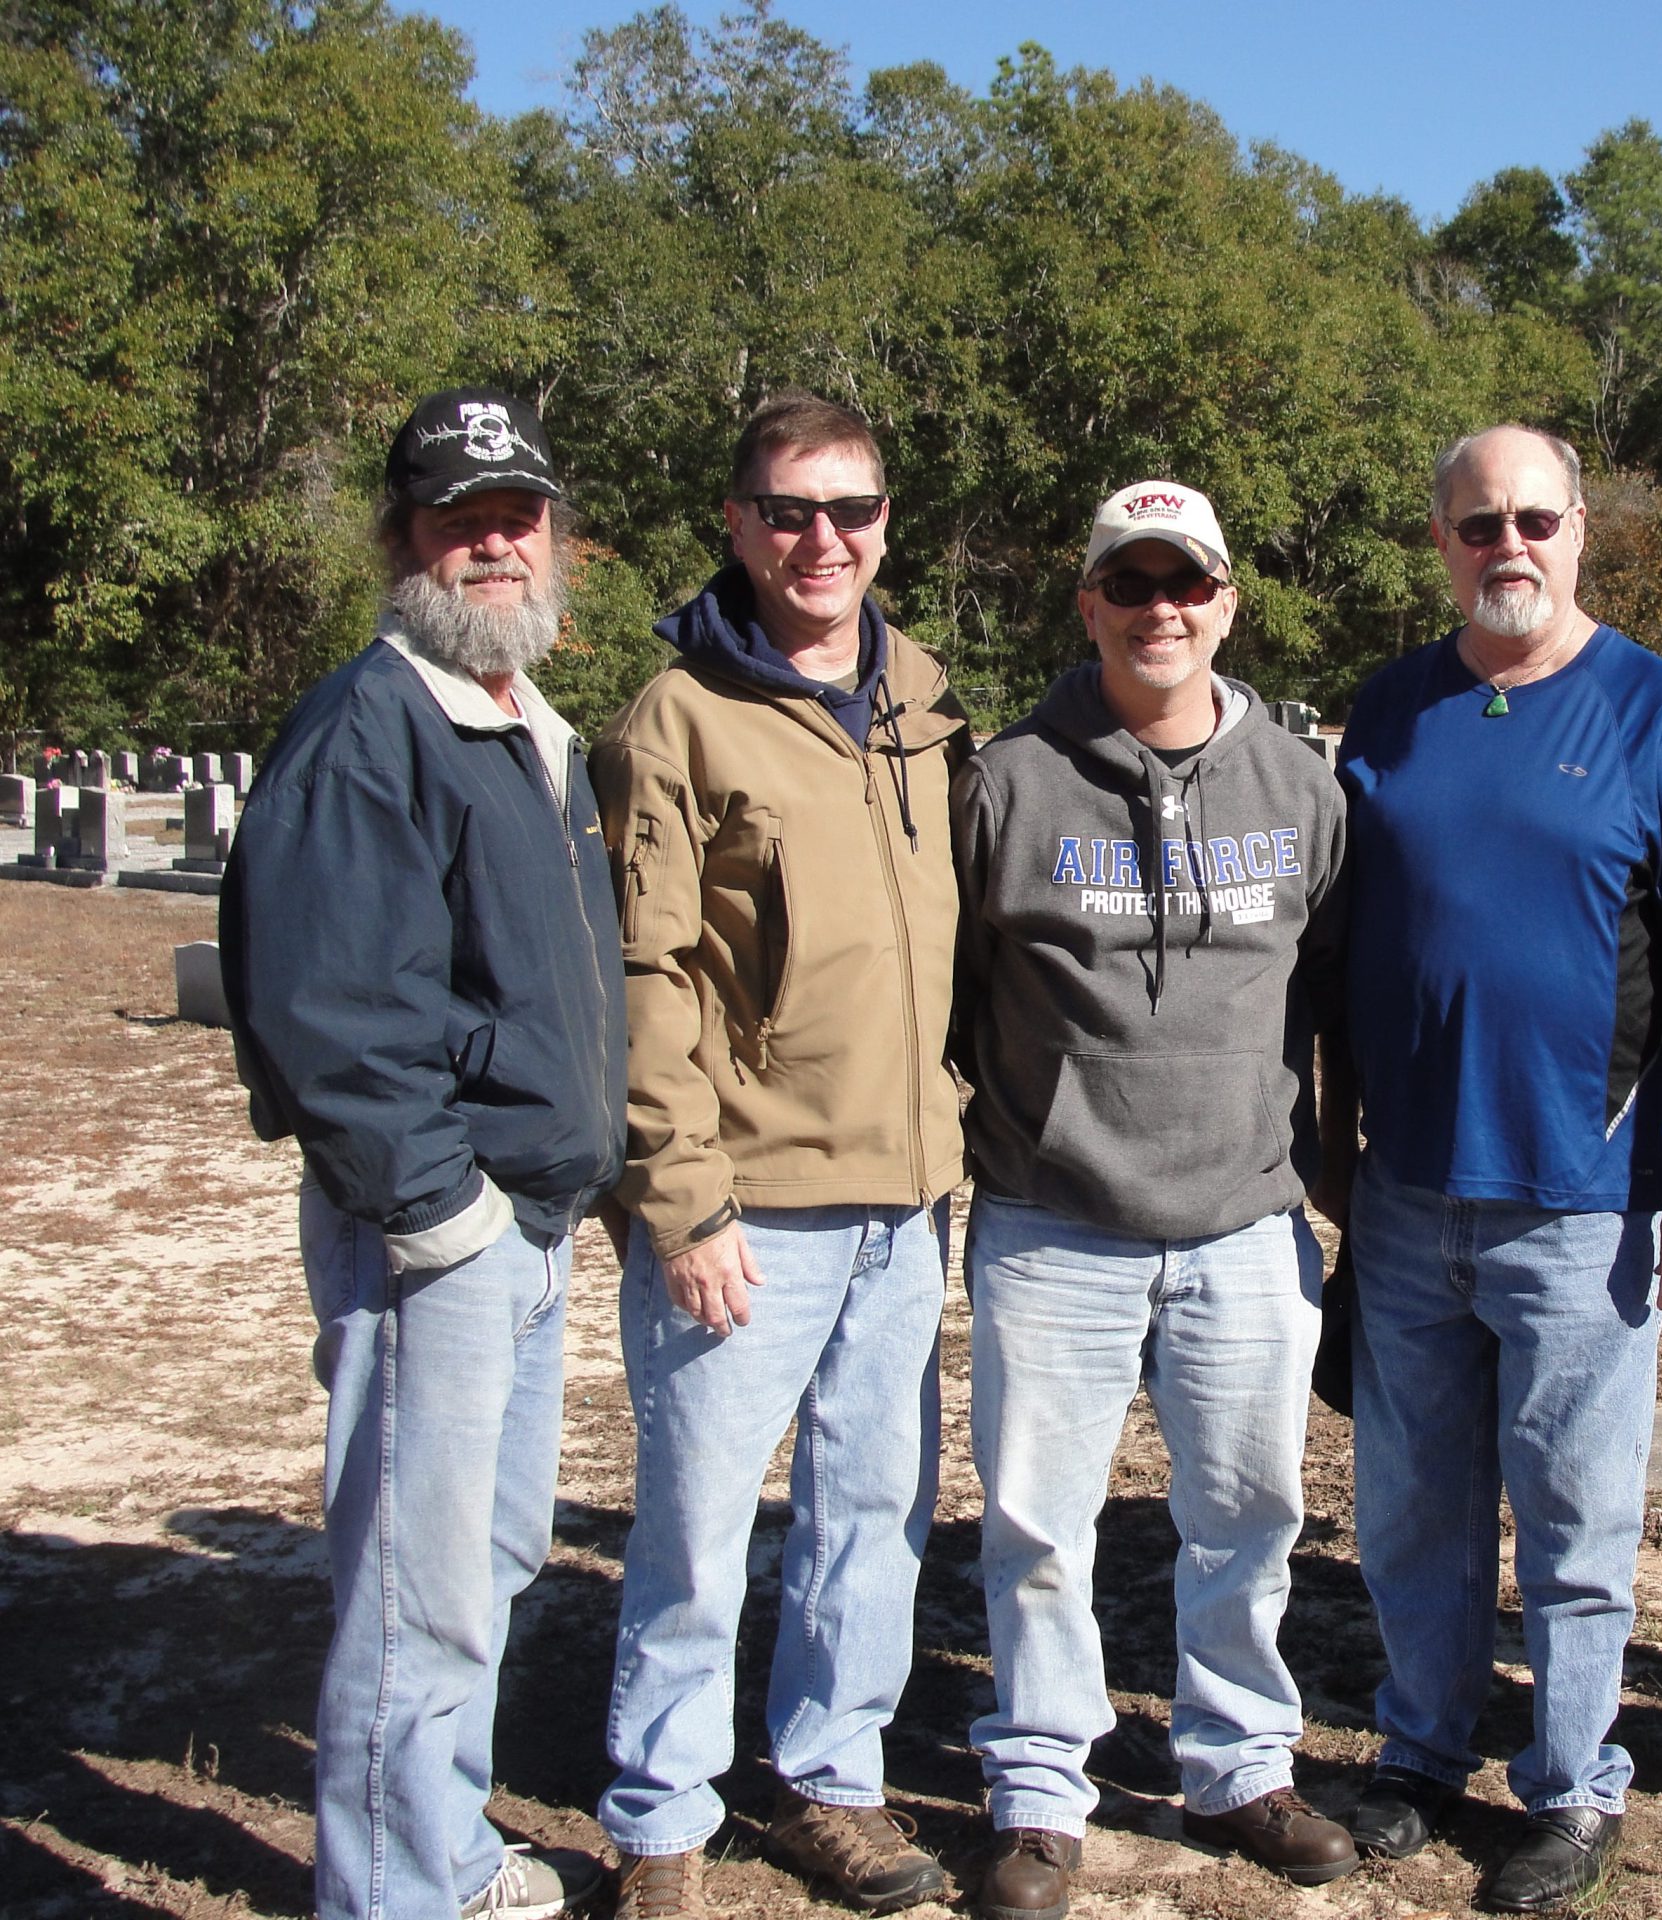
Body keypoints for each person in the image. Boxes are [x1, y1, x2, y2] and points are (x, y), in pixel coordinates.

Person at [1331, 425, 1662, 1912]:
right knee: (1410, 1508)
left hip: (1587, 1209)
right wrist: (1336, 1151)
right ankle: (1420, 1750)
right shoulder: (1390, 714)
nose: (1505, 545)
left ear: (1579, 529)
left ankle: (1573, 1788)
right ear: (1439, 540)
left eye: (1532, 519)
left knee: (1577, 1522)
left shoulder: (1654, 709)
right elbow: (1335, 953)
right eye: (1475, 525)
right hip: (1405, 1200)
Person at [221, 387, 624, 1920]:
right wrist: (437, 1213)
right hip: (439, 1237)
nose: (494, 545)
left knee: (487, 1568)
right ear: (403, 540)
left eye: (516, 517)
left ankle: (443, 1853)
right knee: (416, 1597)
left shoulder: (521, 724)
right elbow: (327, 1008)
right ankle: (386, 1892)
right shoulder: (369, 726)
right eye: (458, 520)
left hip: (524, 1228)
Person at [590, 393, 972, 1920]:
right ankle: (662, 1817)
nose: (826, 540)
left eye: (854, 511)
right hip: (745, 1211)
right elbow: (643, 975)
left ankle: (832, 1781)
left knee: (868, 1516)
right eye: (792, 511)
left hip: (905, 1202)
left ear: (887, 526)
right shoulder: (671, 721)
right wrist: (679, 1201)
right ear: (739, 527)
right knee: (694, 1528)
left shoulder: (927, 708)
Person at [951, 480, 1355, 1920]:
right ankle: (1043, 1793)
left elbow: (1334, 1004)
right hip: (1051, 1223)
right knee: (1042, 1526)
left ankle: (1241, 1766)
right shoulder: (1008, 780)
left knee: (1249, 1515)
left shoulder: (1305, 790)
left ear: (1228, 604)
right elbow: (957, 1000)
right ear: (1089, 605)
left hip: (1247, 1221)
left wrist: (1334, 1192)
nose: (1160, 608)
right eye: (1130, 583)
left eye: (1187, 583)